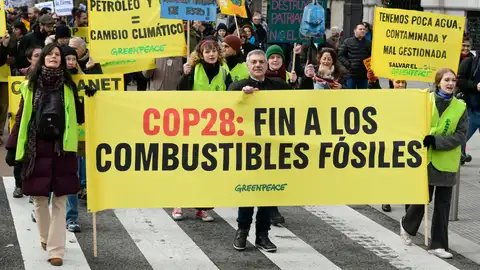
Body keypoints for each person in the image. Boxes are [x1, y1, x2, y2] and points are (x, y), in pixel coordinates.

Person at [5, 43, 88, 266]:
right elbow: (22, 116)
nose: (53, 57)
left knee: (60, 200)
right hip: (37, 148)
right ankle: (45, 237)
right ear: (41, 59)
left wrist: (88, 95)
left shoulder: (70, 85)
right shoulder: (30, 85)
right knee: (40, 199)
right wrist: (13, 147)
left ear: (62, 60)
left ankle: (56, 250)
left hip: (62, 148)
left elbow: (79, 117)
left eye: (57, 55)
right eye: (49, 54)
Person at [228, 50, 292, 252]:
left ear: (266, 65)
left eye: (261, 62)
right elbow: (224, 107)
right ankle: (242, 231)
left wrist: (307, 78)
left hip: (271, 150)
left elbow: (303, 100)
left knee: (267, 192)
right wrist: (240, 97)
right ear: (247, 66)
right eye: (253, 62)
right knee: (247, 192)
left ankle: (262, 235)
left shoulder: (279, 87)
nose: (257, 65)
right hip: (247, 149)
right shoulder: (237, 87)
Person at [400, 68, 467, 259]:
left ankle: (438, 245)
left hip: (446, 160)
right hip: (425, 159)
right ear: (438, 82)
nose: (450, 83)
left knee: (443, 205)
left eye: (453, 80)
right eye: (446, 80)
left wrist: (436, 142)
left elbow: (461, 136)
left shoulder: (460, 106)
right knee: (423, 198)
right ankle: (407, 225)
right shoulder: (425, 100)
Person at [338, 23, 372, 89]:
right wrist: (348, 65)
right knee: (350, 96)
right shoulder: (348, 41)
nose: (363, 31)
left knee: (362, 96)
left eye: (364, 29)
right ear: (355, 31)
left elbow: (372, 57)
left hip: (364, 75)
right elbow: (340, 55)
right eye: (360, 29)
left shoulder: (369, 43)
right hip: (351, 75)